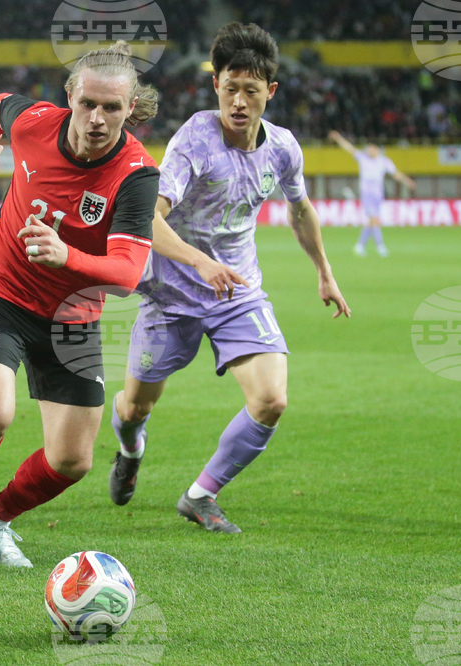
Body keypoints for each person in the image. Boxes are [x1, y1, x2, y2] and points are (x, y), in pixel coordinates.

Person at [109, 23, 351, 533]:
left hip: (237, 291)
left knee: (271, 400)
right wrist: (198, 261)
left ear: (271, 92)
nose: (239, 102)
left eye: (251, 91)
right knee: (135, 406)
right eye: (229, 88)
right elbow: (149, 219)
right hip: (171, 292)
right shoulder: (193, 140)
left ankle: (201, 495)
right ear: (215, 84)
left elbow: (300, 209)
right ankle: (130, 447)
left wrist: (325, 274)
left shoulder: (283, 148)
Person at [0, 42, 159, 567]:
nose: (97, 119)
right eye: (88, 104)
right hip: (1, 291)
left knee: (72, 459)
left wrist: (67, 256)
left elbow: (127, 274)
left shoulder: (137, 174)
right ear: (70, 96)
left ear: (130, 109)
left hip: (73, 316)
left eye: (112, 108)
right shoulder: (33, 121)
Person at [328, 130, 414, 257]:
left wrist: (407, 181)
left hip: (378, 193)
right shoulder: (363, 157)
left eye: (372, 148)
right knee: (374, 219)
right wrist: (338, 138)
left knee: (372, 220)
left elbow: (395, 173)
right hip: (367, 192)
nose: (369, 150)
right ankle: (380, 246)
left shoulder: (384, 161)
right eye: (369, 148)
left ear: (377, 149)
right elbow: (349, 148)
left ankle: (360, 246)